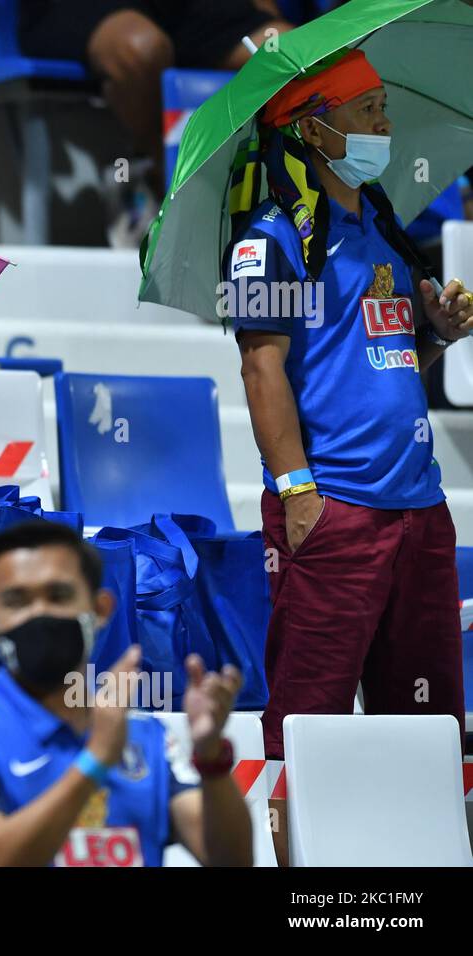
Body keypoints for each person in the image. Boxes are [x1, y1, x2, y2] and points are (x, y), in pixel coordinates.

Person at [226, 49, 471, 763]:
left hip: (419, 511)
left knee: (430, 732)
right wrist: (298, 492)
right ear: (313, 130)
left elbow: (391, 364)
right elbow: (259, 365)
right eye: (368, 112)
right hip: (335, 507)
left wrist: (441, 337)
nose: (384, 125)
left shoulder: (384, 229)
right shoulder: (268, 239)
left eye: (383, 109)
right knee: (309, 729)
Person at [0, 520, 253, 867]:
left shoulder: (145, 738)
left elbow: (230, 860)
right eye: (18, 600)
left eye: (58, 595)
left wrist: (211, 758)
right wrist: (94, 761)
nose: (40, 613)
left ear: (100, 610)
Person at [17, 0, 292, 236]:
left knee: (294, 54)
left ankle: (304, 216)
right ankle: (162, 187)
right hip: (87, 8)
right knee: (141, 48)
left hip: (188, 8)